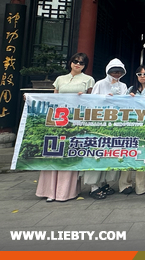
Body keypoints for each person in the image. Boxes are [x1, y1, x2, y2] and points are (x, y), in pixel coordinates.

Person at [36, 53, 94, 202]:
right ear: (70, 62)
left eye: (82, 63)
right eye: (76, 61)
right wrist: (31, 98)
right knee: (53, 150)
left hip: (75, 120)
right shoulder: (60, 79)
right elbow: (53, 99)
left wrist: (84, 97)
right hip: (58, 120)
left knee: (69, 151)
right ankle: (48, 191)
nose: (78, 64)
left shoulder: (88, 80)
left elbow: (92, 102)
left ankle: (65, 192)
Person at [83, 58, 128, 198]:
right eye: (113, 71)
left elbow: (125, 104)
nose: (116, 74)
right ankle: (93, 186)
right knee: (97, 154)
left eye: (119, 72)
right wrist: (104, 98)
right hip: (100, 125)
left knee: (109, 154)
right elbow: (92, 102)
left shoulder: (123, 86)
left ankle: (103, 183)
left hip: (115, 125)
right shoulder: (100, 84)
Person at [118, 65, 145, 196]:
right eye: (139, 74)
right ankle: (125, 185)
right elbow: (122, 106)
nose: (142, 77)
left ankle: (141, 186)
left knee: (142, 156)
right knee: (128, 154)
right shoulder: (130, 90)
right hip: (131, 126)